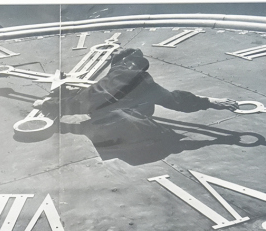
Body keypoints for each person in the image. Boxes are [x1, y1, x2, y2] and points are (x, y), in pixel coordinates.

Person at [50, 47, 240, 160]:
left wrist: (50, 105)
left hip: (110, 138)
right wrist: (209, 102)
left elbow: (83, 101)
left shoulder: (114, 79)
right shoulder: (143, 82)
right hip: (140, 138)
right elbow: (174, 100)